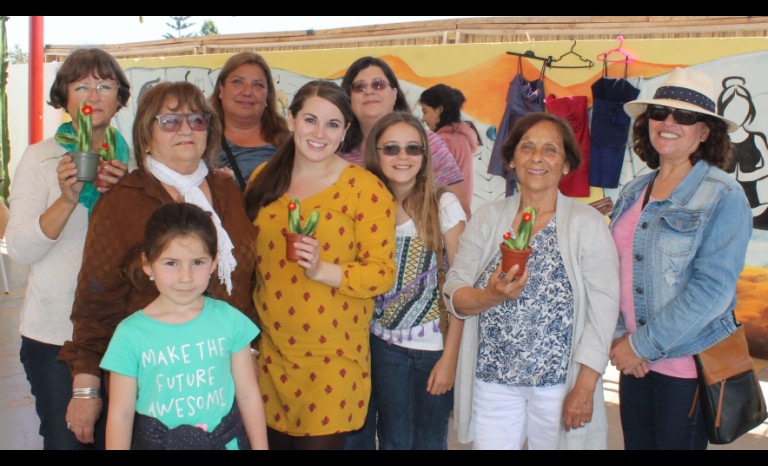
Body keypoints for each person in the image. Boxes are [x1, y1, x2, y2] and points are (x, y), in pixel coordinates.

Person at [59, 81, 258, 446]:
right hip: (155, 390)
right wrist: (86, 388)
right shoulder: (122, 200)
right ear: (145, 135)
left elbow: (246, 279)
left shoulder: (227, 189)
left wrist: (249, 354)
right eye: (169, 120)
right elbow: (94, 300)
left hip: (223, 383)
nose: (186, 129)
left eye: (197, 120)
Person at [443, 112, 620, 450]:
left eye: (550, 150)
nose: (537, 157)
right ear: (511, 159)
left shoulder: (587, 224)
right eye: (527, 148)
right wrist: (490, 296)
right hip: (492, 380)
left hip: (558, 385)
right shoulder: (487, 218)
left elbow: (603, 310)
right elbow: (455, 290)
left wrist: (584, 385)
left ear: (566, 164)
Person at [244, 80, 396, 450]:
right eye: (310, 119)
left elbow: (382, 273)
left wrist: (322, 270)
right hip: (270, 354)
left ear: (345, 132)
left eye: (332, 124)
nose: (319, 133)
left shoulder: (366, 187)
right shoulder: (261, 180)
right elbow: (248, 264)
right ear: (291, 119)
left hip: (334, 358)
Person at [610, 67, 752, 450]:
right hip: (634, 362)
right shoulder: (634, 189)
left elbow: (713, 291)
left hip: (685, 367)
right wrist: (621, 342)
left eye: (685, 116)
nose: (669, 122)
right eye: (659, 112)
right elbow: (614, 272)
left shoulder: (723, 195)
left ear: (704, 131)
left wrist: (641, 345)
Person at [6, 47, 131, 449]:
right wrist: (67, 198)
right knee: (67, 440)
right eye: (81, 86)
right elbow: (21, 250)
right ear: (64, 97)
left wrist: (126, 193)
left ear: (120, 97)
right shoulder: (41, 159)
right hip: (54, 335)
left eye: (104, 85)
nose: (93, 96)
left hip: (125, 330)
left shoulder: (138, 162)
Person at [101, 203, 267, 450]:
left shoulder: (229, 320)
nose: (185, 277)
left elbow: (248, 394)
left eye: (198, 262)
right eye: (171, 263)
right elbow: (121, 415)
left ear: (213, 263)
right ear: (148, 264)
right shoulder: (129, 334)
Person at [362, 112, 466, 449]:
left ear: (425, 155)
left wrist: (450, 359)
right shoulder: (367, 206)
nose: (403, 157)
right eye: (391, 148)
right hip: (383, 346)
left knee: (429, 440)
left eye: (413, 148)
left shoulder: (443, 204)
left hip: (432, 350)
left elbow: (461, 289)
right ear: (375, 154)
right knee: (393, 438)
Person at [338, 56, 471, 218]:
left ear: (394, 93)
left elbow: (461, 214)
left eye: (378, 84)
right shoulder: (338, 153)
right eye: (360, 87)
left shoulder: (429, 145)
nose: (370, 91)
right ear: (348, 97)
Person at [210, 52, 290, 189]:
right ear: (221, 90)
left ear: (267, 96)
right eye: (238, 82)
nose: (247, 92)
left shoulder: (288, 147)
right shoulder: (201, 142)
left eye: (258, 85)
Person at [419, 84, 482, 212]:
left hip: (444, 215)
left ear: (439, 110)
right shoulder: (460, 138)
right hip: (458, 214)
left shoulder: (443, 142)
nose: (423, 118)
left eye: (425, 111)